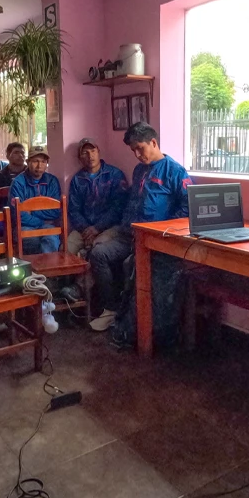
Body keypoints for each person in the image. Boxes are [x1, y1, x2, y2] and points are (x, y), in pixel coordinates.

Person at [93, 122, 190, 340]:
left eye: (140, 148)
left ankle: (132, 323)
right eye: (133, 150)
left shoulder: (175, 171)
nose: (137, 155)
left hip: (152, 240)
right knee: (98, 254)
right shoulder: (139, 170)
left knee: (131, 266)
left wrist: (162, 229)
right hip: (128, 233)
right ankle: (111, 309)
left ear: (153, 142)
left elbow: (187, 207)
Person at [66, 138, 128, 258]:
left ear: (98, 152)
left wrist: (97, 228)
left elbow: (118, 207)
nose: (90, 156)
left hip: (109, 227)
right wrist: (86, 229)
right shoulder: (77, 179)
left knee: (97, 248)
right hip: (84, 229)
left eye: (93, 151)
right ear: (79, 157)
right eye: (85, 153)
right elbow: (73, 210)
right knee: (66, 249)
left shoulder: (114, 174)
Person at [9, 146, 62, 254]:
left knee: (51, 240)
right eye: (35, 161)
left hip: (48, 226)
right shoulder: (18, 182)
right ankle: (35, 266)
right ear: (27, 162)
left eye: (43, 162)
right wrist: (41, 221)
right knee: (32, 241)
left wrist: (32, 211)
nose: (39, 165)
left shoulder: (52, 181)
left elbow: (56, 211)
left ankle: (47, 265)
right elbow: (17, 214)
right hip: (24, 226)